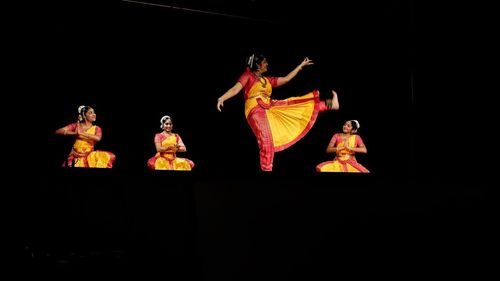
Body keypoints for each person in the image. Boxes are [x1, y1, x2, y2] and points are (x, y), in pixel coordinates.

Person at [217, 53, 339, 171]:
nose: (267, 64)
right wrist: (222, 97)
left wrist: (300, 66)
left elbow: (286, 79)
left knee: (296, 105)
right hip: (255, 109)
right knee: (266, 139)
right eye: (264, 62)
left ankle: (330, 105)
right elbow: (235, 89)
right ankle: (266, 169)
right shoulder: (248, 76)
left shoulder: (267, 80)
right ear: (258, 65)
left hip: (269, 106)